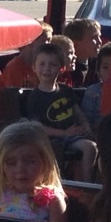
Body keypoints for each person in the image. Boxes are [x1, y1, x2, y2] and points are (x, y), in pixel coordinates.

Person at [10, 34, 98, 181]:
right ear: (34, 67)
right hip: (52, 138)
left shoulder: (65, 90)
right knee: (72, 147)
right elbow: (38, 126)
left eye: (52, 65)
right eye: (42, 64)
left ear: (61, 68)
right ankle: (72, 183)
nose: (47, 69)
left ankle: (85, 182)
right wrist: (64, 133)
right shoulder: (35, 97)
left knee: (94, 146)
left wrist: (86, 125)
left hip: (73, 135)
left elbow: (77, 112)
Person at [0, 121, 67, 222]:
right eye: (11, 163)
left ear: (45, 161)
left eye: (30, 162)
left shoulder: (53, 201)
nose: (21, 169)